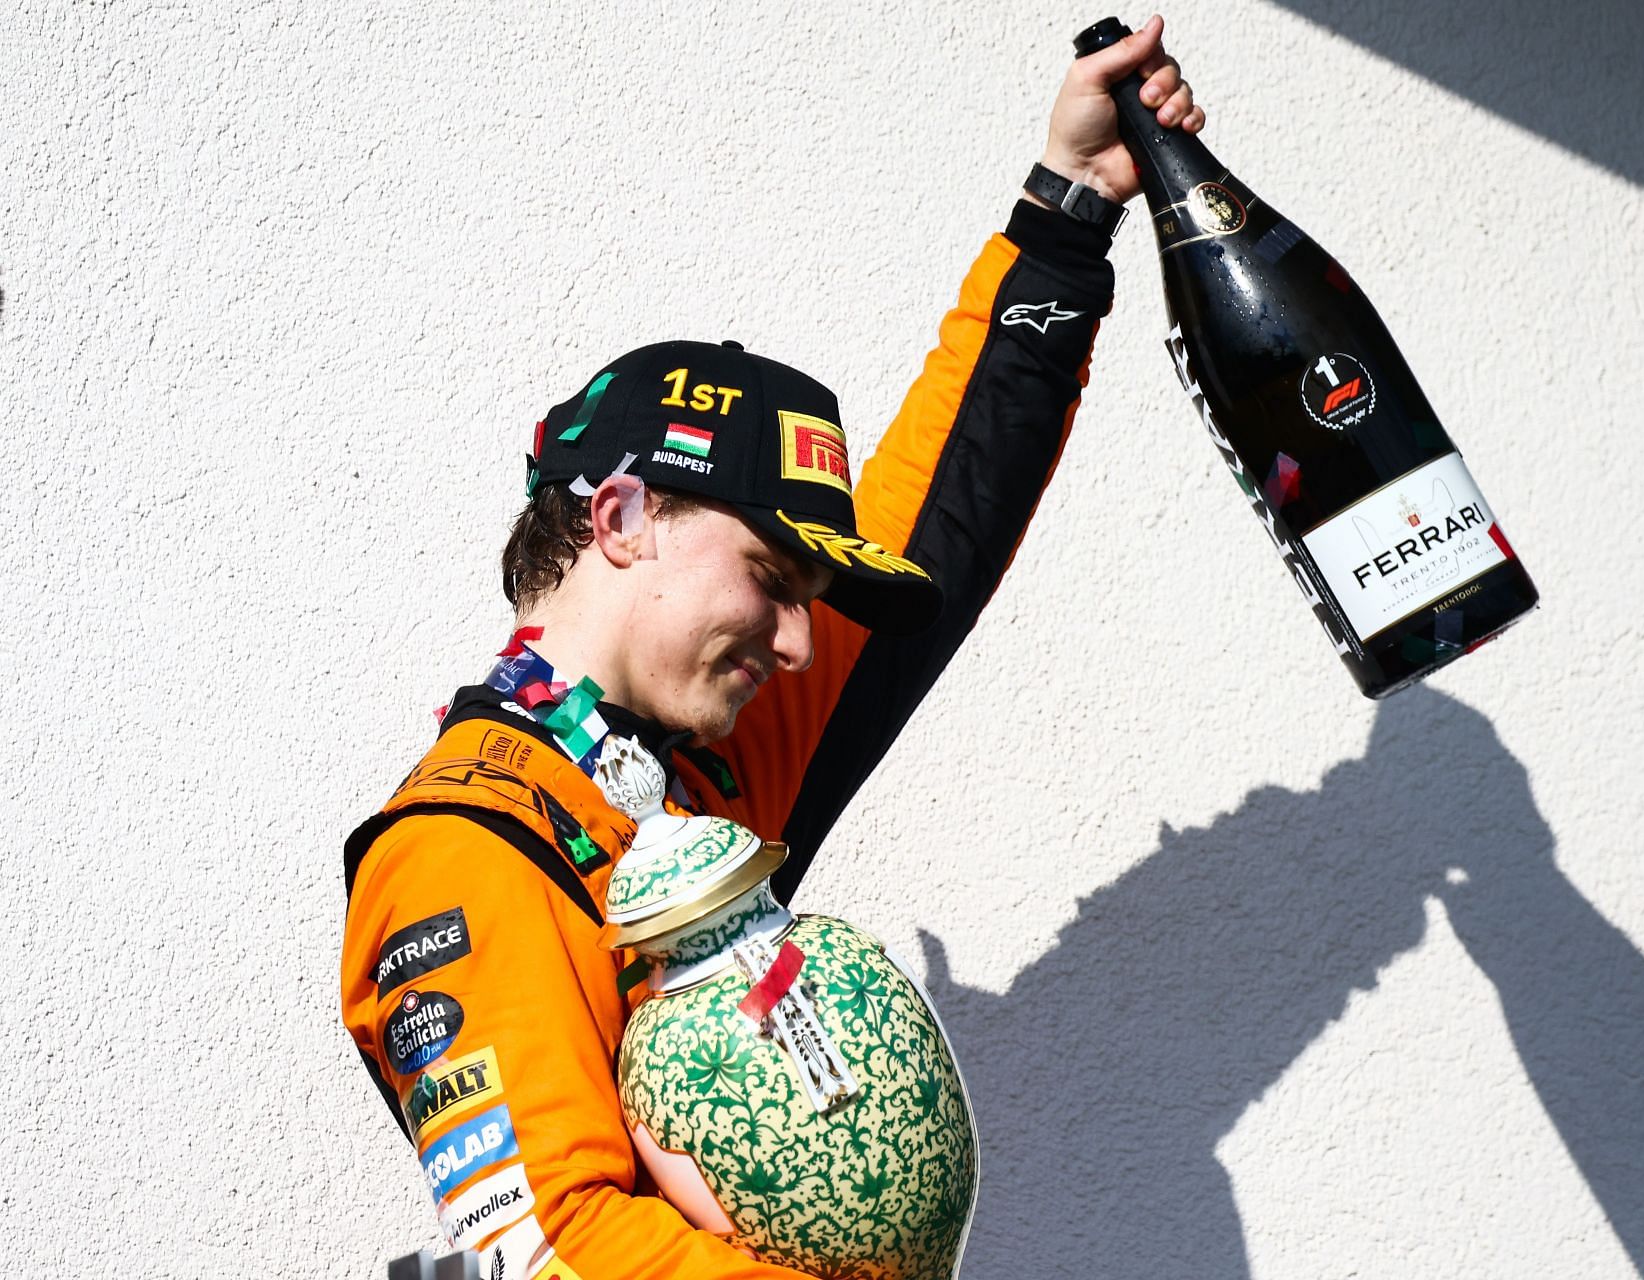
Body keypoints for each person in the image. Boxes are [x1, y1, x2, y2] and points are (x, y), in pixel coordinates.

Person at [340, 17, 1206, 1279]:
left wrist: (1070, 210)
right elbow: (561, 1249)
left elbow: (937, 530)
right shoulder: (465, 856)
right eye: (772, 578)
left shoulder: (689, 764)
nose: (801, 642)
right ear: (623, 518)